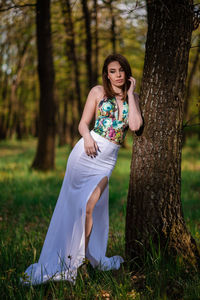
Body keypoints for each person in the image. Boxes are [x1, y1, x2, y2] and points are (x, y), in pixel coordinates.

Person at [21, 53, 143, 285]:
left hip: (106, 162)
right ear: (106, 74)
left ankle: (84, 258)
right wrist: (87, 137)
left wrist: (130, 93)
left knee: (89, 205)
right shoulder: (98, 92)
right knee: (76, 207)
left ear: (127, 72)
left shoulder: (132, 98)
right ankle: (76, 260)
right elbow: (82, 124)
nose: (117, 75)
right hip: (85, 155)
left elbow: (135, 126)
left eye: (121, 71)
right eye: (112, 71)